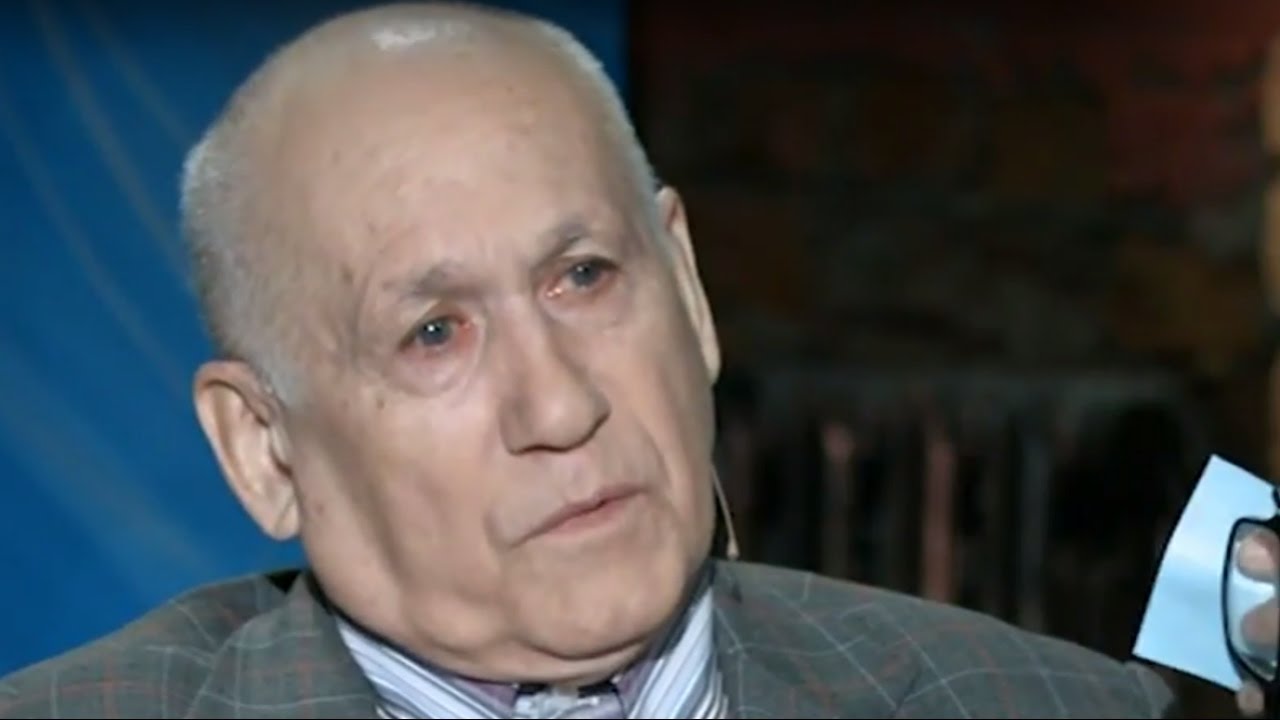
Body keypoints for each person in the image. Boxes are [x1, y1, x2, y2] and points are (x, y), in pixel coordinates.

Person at [0, 2, 1216, 717]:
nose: (560, 404)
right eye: (434, 333)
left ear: (687, 289)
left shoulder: (1051, 705)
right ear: (264, 450)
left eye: (581, 276)